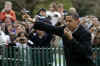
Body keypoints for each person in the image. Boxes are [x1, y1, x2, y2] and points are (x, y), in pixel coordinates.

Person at [24, 14, 96, 66]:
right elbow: (50, 28)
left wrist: (71, 39)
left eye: (70, 21)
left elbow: (85, 52)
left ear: (77, 21)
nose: (67, 23)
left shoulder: (85, 34)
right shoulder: (64, 29)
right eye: (66, 21)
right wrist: (33, 21)